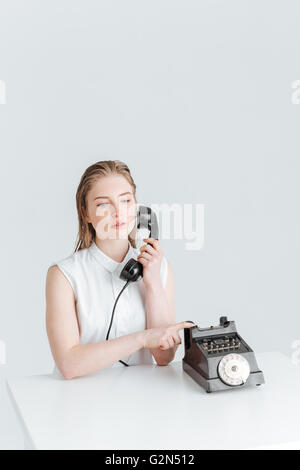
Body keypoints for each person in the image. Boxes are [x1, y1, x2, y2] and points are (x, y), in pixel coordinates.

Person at [45, 160, 194, 379]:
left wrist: (152, 283)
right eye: (103, 204)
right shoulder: (64, 275)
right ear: (85, 213)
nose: (118, 212)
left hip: (139, 402)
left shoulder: (158, 268)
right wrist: (142, 338)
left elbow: (165, 357)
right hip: (79, 404)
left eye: (125, 200)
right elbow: (69, 365)